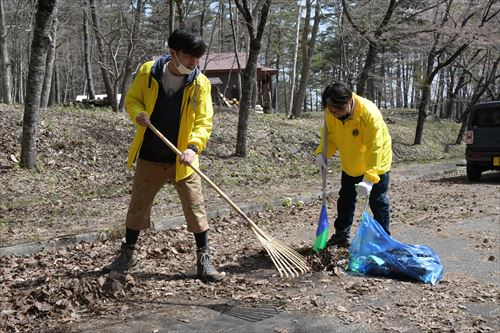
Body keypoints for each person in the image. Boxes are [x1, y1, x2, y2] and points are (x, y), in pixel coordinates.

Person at [102, 27, 224, 282]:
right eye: (189, 56)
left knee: (195, 207)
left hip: (184, 160)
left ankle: (204, 258)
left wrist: (193, 148)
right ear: (173, 53)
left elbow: (204, 121)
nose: (194, 62)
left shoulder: (200, 83)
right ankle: (128, 254)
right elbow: (132, 99)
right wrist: (138, 113)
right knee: (138, 206)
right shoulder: (148, 72)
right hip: (150, 154)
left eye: (198, 57)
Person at [315, 83, 392, 248]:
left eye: (338, 110)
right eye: (331, 110)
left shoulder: (369, 114)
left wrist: (370, 178)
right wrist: (322, 153)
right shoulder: (331, 113)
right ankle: (341, 236)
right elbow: (330, 136)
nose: (335, 114)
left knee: (378, 202)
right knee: (346, 199)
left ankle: (383, 239)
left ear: (349, 101)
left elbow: (375, 147)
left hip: (376, 163)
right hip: (351, 161)